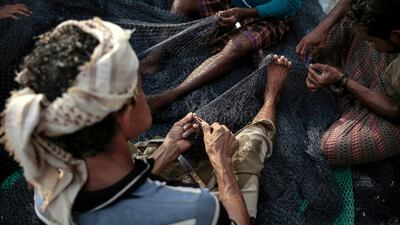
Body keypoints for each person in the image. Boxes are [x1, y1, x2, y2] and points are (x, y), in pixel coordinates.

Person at [0, 18, 292, 225]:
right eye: (140, 87)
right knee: (246, 149)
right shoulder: (194, 209)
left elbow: (114, 188)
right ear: (124, 113)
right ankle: (271, 97)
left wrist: (166, 148)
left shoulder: (49, 180)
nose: (147, 94)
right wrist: (222, 164)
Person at [296, 0, 400, 166]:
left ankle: (359, 92)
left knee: (333, 147)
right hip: (388, 57)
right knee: (341, 25)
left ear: (396, 35)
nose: (370, 45)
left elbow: (395, 111)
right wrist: (322, 28)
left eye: (371, 41)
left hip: (394, 111)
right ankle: (361, 85)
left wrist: (342, 80)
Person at [145, 0, 301, 110]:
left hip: (270, 17)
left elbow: (289, 3)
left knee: (238, 45)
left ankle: (172, 93)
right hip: (233, 4)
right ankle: (154, 57)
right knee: (182, 3)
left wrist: (246, 13)